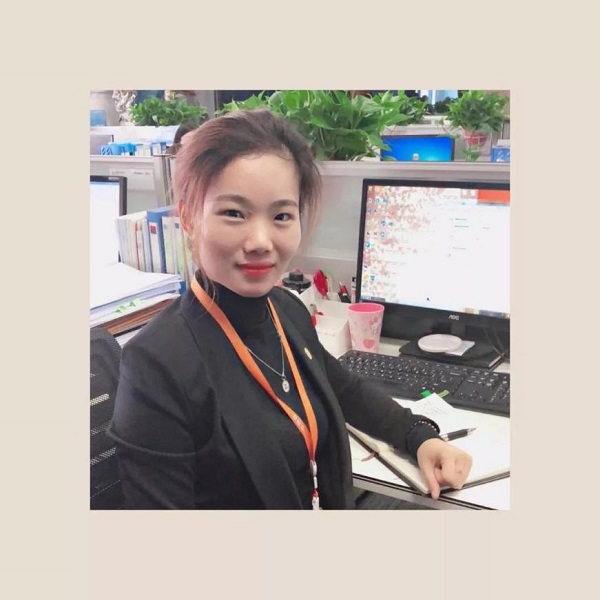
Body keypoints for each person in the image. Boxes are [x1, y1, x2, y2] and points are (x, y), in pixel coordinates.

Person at [107, 109, 472, 510]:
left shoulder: (285, 311)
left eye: (281, 216)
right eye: (234, 213)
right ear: (189, 218)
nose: (261, 241)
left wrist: (420, 437)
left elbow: (345, 390)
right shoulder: (155, 365)